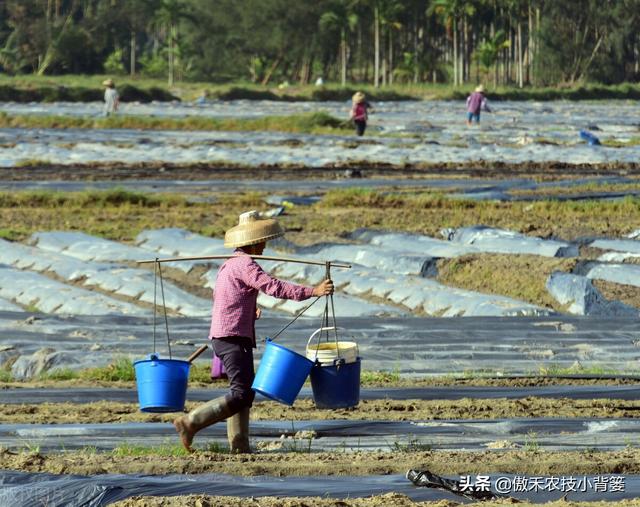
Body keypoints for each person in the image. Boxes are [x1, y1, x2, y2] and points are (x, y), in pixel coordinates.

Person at [173, 211, 334, 453]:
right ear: (255, 241)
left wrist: (249, 312)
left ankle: (240, 446)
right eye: (263, 241)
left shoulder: (229, 265)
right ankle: (191, 422)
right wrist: (313, 291)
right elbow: (273, 287)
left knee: (242, 391)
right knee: (241, 394)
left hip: (226, 334)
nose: (265, 245)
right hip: (232, 336)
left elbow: (225, 298)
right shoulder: (246, 264)